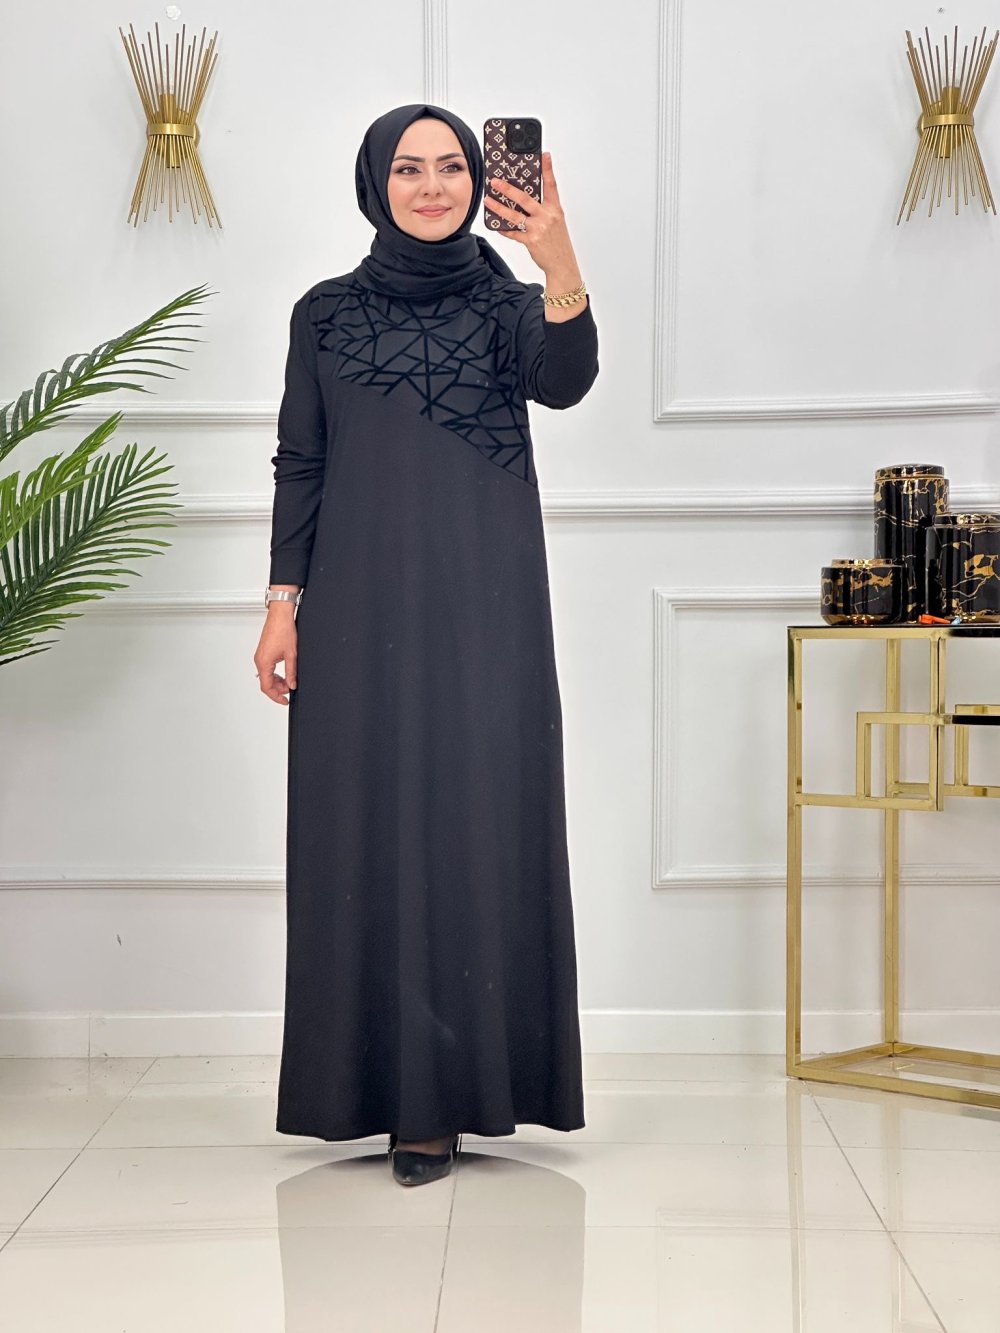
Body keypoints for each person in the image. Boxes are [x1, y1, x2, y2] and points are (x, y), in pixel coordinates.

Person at [254, 103, 599, 1187]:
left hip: (485, 607)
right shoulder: (323, 314)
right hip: (355, 610)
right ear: (377, 183)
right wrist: (282, 601)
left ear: (479, 182)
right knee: (362, 827)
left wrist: (556, 256)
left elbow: (566, 378)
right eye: (410, 168)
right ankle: (369, 1087)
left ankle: (449, 1100)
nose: (435, 185)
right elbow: (301, 459)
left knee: (472, 824)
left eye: (453, 166)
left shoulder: (508, 307)